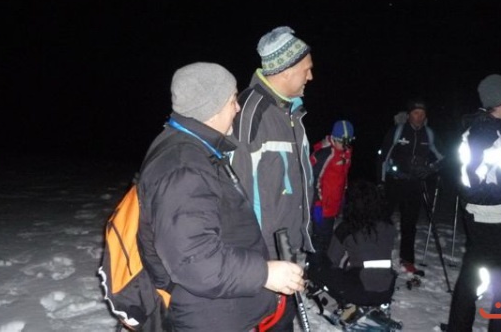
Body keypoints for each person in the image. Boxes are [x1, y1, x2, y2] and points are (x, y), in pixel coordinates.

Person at [136, 62, 306, 332]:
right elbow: (194, 260)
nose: (237, 108)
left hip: (219, 308)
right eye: (232, 100)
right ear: (212, 107)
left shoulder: (194, 149)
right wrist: (265, 273)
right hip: (207, 317)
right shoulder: (184, 167)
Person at [231, 26, 315, 331]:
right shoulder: (249, 113)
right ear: (287, 69)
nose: (310, 76)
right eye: (306, 69)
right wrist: (253, 263)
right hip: (262, 260)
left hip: (288, 251)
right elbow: (231, 192)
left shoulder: (293, 115)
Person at [446, 74, 501, 332]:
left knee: (473, 276)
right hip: (492, 222)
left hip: (490, 221)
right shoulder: (483, 135)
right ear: (498, 103)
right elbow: (470, 185)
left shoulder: (499, 132)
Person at [308, 178, 399, 329]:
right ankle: (372, 306)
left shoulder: (347, 228)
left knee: (319, 270)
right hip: (386, 290)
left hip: (360, 290)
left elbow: (331, 261)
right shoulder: (389, 227)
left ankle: (346, 306)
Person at [378, 99, 444, 275]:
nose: (419, 117)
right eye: (416, 113)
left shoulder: (428, 134)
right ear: (409, 115)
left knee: (409, 224)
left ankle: (407, 260)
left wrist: (430, 169)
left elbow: (443, 157)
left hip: (414, 184)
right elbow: (383, 156)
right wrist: (381, 181)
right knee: (383, 220)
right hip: (394, 182)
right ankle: (377, 254)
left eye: (422, 114)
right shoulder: (398, 131)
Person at [307, 120, 355, 273]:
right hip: (320, 205)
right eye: (342, 142)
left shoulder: (346, 153)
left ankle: (321, 266)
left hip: (333, 204)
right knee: (319, 237)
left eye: (348, 142)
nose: (345, 146)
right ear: (334, 138)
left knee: (327, 236)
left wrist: (342, 198)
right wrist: (317, 202)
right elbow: (312, 179)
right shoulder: (324, 154)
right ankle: (313, 269)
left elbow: (342, 179)